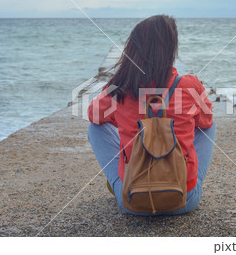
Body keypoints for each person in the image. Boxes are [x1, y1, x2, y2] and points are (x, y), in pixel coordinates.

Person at [87, 15, 216, 216]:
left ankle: (120, 182)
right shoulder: (189, 85)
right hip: (184, 200)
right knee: (209, 126)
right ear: (170, 49)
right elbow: (206, 121)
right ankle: (186, 180)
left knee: (95, 128)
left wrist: (123, 119)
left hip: (132, 202)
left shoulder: (119, 88)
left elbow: (94, 116)